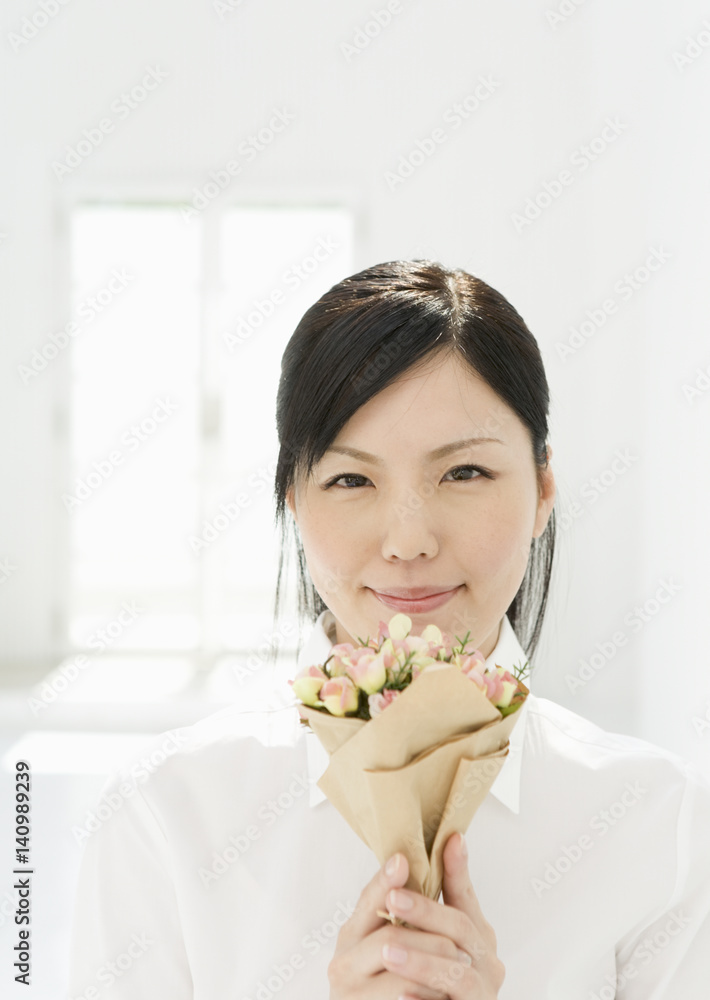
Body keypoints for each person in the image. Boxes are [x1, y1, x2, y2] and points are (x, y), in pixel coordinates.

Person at [67, 259, 710, 999]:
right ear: (294, 505)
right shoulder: (166, 818)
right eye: (351, 479)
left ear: (542, 490)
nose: (408, 542)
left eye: (463, 473)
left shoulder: (661, 825)